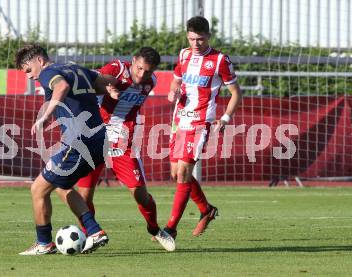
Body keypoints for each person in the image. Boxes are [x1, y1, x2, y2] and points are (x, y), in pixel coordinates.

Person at [14, 44, 118, 255]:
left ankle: (43, 243)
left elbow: (61, 87)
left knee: (38, 189)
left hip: (79, 142)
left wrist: (44, 117)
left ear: (39, 61)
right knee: (62, 186)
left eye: (28, 70)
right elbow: (107, 82)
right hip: (99, 140)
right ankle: (94, 230)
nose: (29, 76)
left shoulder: (48, 72)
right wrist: (110, 88)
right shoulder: (75, 68)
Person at [75, 47, 175, 251]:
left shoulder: (150, 82)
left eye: (147, 71)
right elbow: (93, 83)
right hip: (94, 136)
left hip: (122, 142)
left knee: (140, 193)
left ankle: (154, 229)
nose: (142, 74)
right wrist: (106, 89)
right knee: (84, 196)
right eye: (139, 68)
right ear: (133, 61)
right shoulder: (117, 68)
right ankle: (90, 236)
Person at [164, 16, 242, 245]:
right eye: (191, 39)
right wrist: (173, 93)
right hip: (179, 120)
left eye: (199, 39)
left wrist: (225, 118)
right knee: (176, 173)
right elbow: (175, 82)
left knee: (184, 173)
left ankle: (170, 229)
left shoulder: (220, 60)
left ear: (208, 36)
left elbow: (236, 93)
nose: (195, 44)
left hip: (201, 121)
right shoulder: (183, 55)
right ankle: (206, 210)